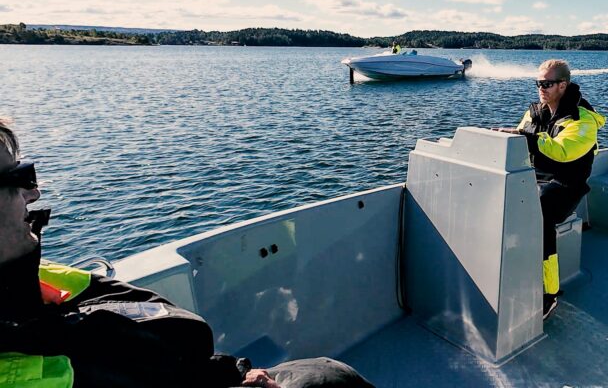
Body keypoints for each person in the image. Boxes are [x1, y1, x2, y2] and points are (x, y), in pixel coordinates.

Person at [0, 119, 373, 388]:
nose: (33, 194)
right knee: (330, 379)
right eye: (18, 179)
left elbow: (166, 355)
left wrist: (236, 374)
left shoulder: (38, 282)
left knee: (327, 374)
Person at [496, 59, 605, 320]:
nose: (541, 88)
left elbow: (563, 152)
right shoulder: (534, 112)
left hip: (567, 184)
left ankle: (549, 292)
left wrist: (529, 139)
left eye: (547, 84)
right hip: (534, 177)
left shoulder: (583, 120)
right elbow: (522, 136)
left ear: (563, 85)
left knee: (540, 211)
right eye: (538, 83)